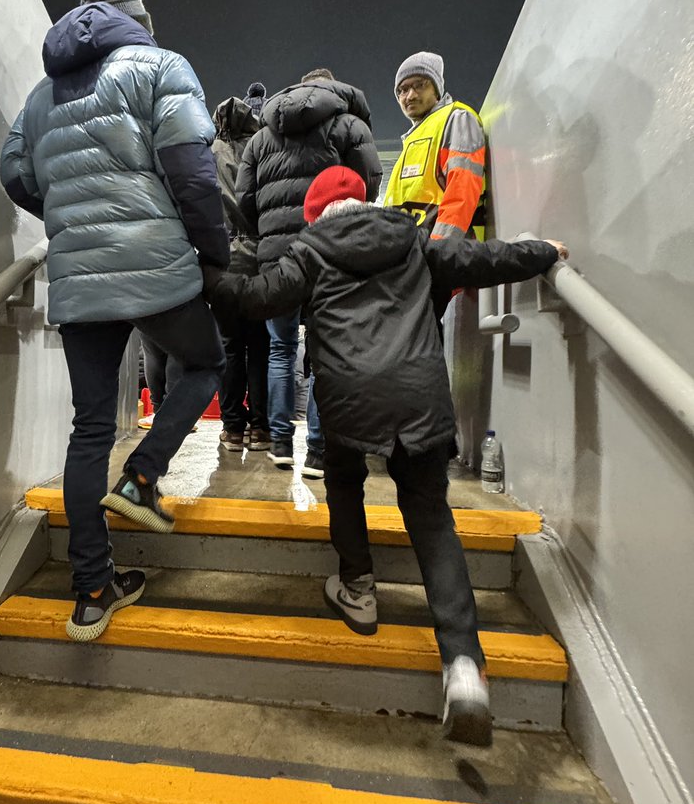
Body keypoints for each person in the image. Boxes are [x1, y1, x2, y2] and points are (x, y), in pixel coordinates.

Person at [204, 166, 567, 745]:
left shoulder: (308, 253)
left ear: (315, 216)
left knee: (344, 480)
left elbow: (249, 299)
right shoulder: (413, 241)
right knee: (429, 514)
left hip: (347, 397)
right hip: (420, 395)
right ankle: (464, 666)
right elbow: (484, 258)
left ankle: (359, 588)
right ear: (368, 203)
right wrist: (541, 249)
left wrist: (202, 265)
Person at [0, 0, 228, 643]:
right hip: (157, 263)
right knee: (205, 363)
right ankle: (144, 475)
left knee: (89, 427)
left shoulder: (40, 97)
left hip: (79, 277)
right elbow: (193, 171)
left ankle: (92, 591)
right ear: (136, 15)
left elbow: (15, 172)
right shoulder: (162, 67)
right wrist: (213, 253)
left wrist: (66, 214)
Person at [235, 69, 381, 478]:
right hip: (331, 254)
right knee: (323, 356)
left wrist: (267, 234)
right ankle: (317, 451)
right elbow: (367, 184)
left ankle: (280, 443)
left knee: (279, 351)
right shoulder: (348, 125)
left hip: (277, 258)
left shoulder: (262, 137)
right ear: (332, 88)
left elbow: (243, 199)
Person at [384, 52, 487, 319]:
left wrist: (440, 252)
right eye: (402, 90)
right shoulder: (414, 137)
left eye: (420, 85)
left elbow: (463, 189)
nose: (410, 96)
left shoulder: (457, 119)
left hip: (438, 264)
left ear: (437, 89)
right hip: (412, 267)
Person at [211, 95, 270, 450]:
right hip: (262, 262)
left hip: (224, 263)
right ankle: (260, 429)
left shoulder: (210, 150)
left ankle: (233, 427)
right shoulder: (264, 149)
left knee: (230, 348)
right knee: (261, 348)